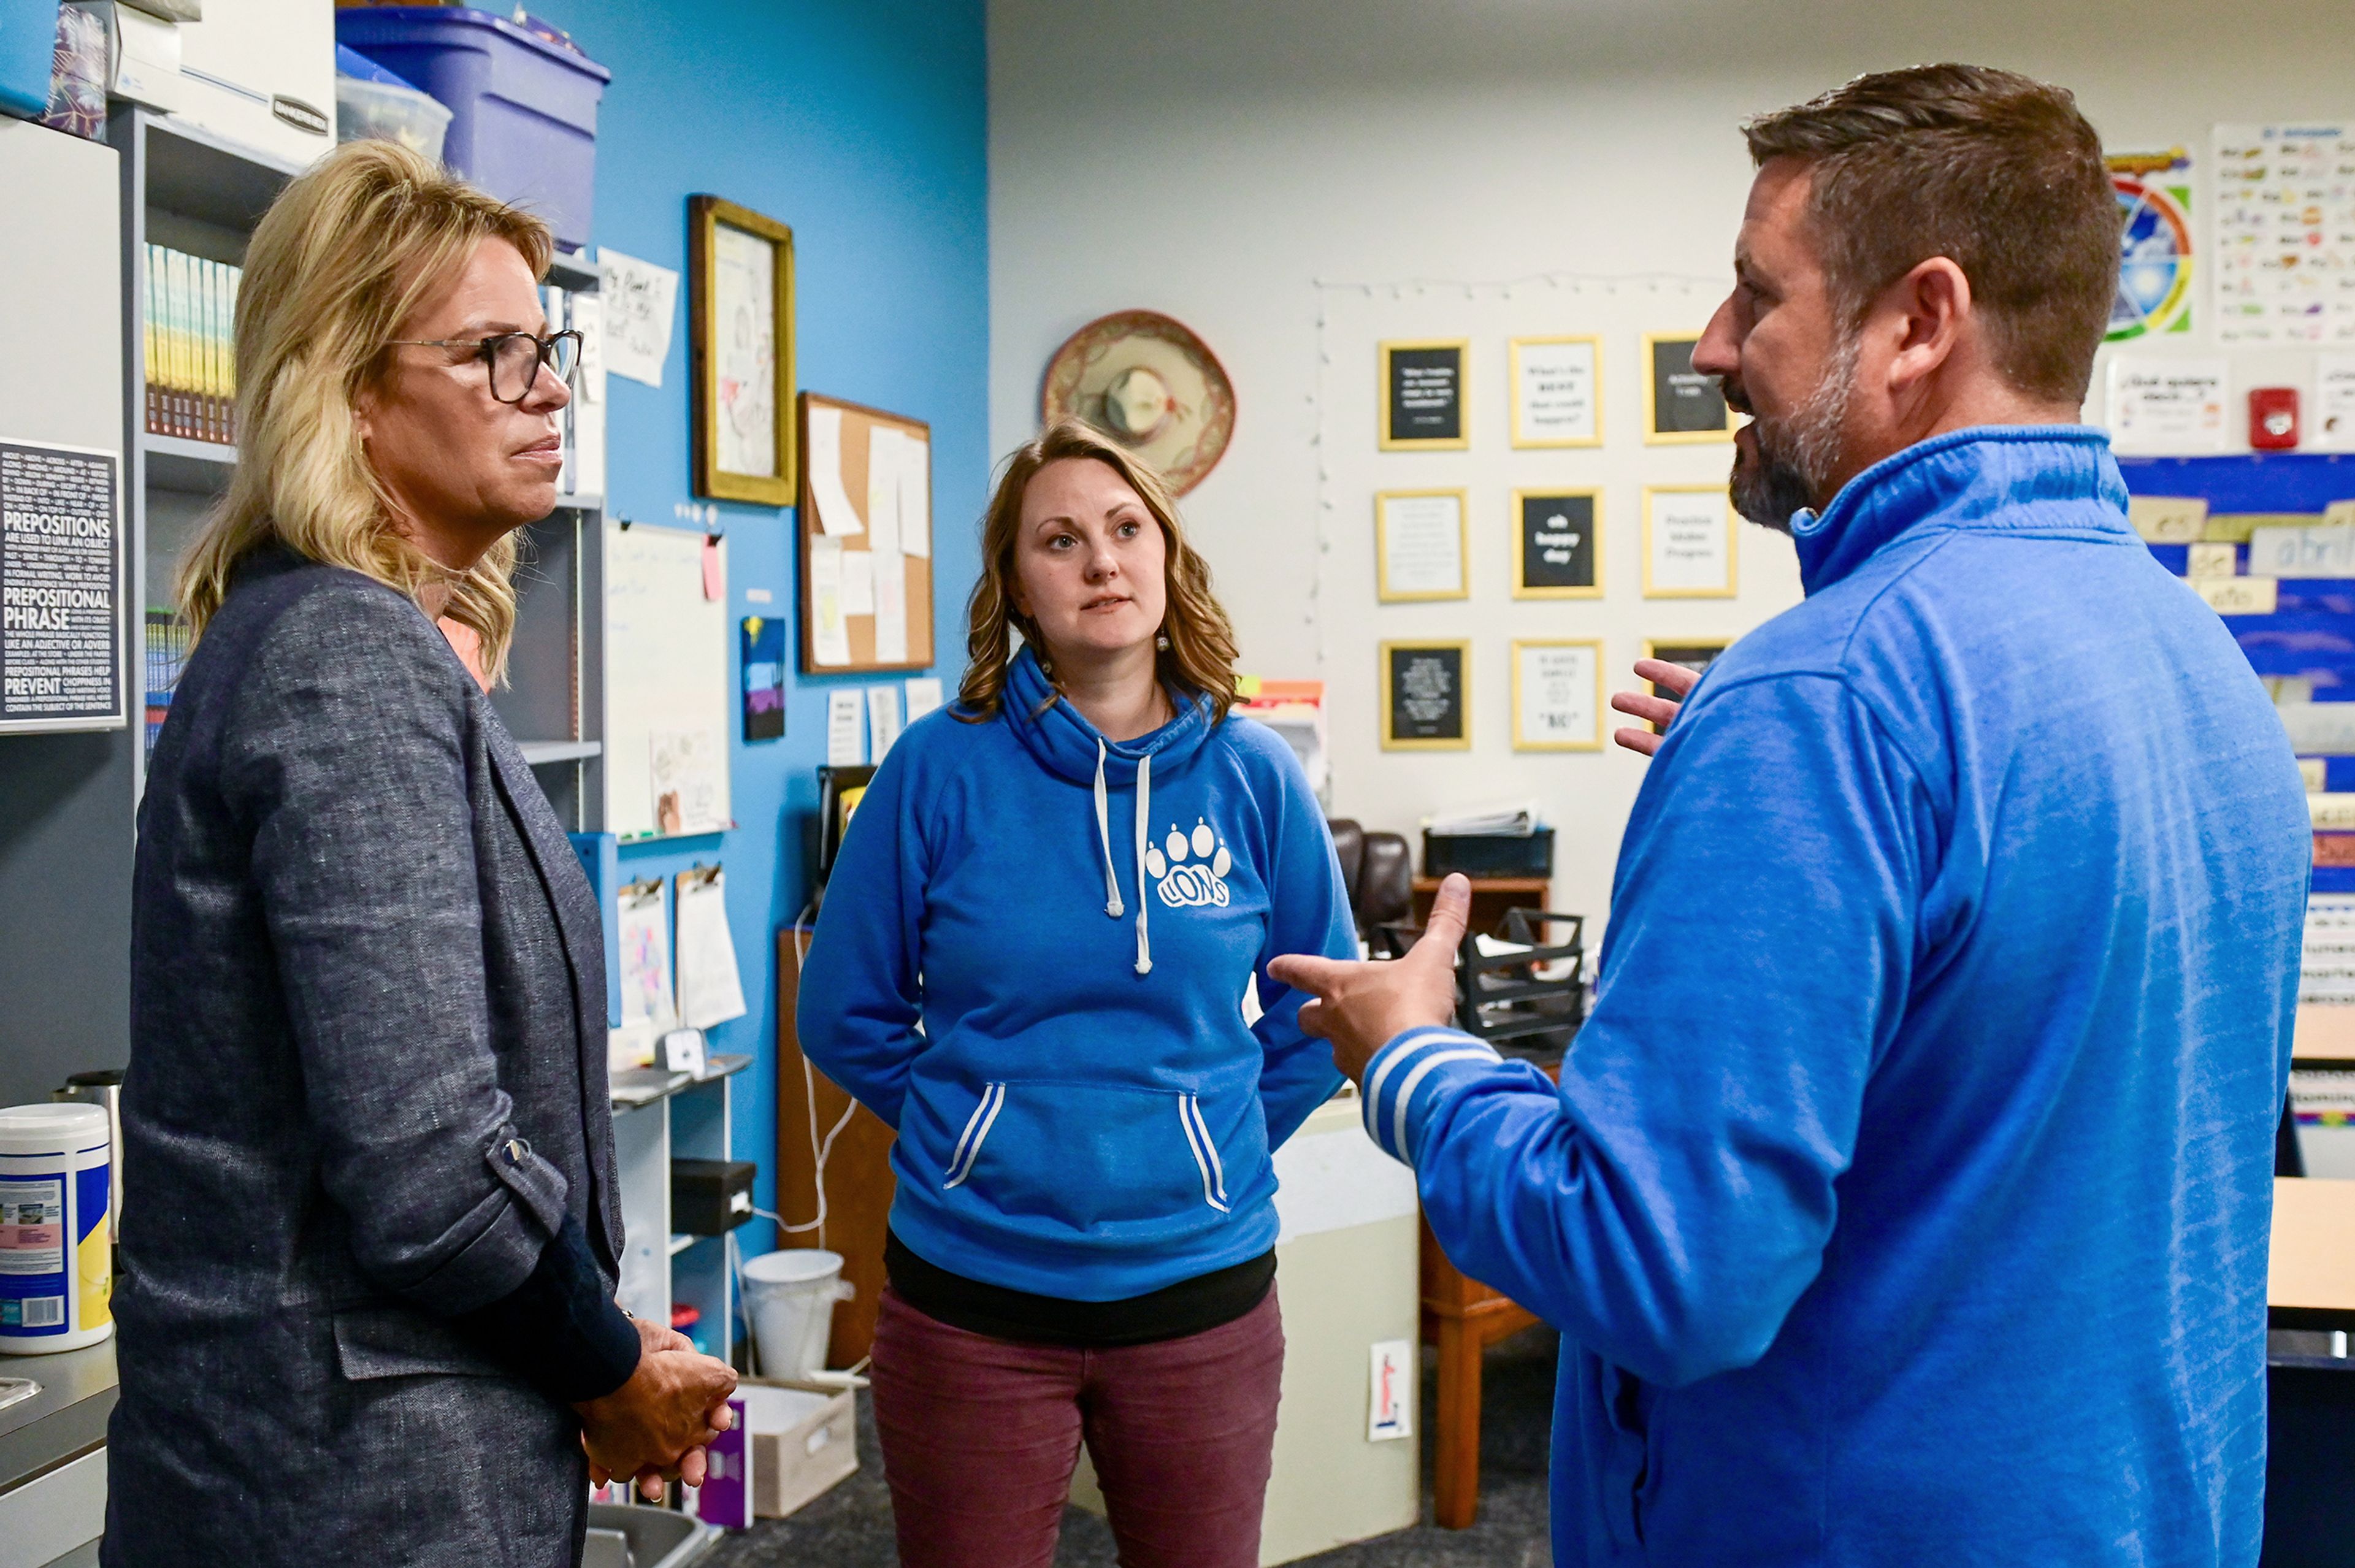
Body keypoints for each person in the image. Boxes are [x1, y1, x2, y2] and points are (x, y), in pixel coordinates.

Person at [1269, 64, 2309, 1566]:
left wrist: (1414, 1062)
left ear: (1920, 322)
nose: (1711, 345)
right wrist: (1804, 793)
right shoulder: (2185, 653)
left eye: (1755, 294)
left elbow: (1663, 1272)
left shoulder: (1827, 698)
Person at [109, 140, 736, 1568]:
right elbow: (428, 1174)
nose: (553, 386)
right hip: (355, 1484)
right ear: (348, 393)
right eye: (494, 354)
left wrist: (589, 1330)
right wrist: (609, 1369)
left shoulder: (316, 638)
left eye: (548, 345)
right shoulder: (342, 657)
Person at [797, 418, 1357, 1568]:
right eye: (1060, 539)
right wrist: (975, 1135)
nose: (1101, 561)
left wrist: (1222, 1137)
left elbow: (1323, 1008)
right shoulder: (936, 769)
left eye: (1125, 529)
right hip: (971, 1301)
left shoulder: (1256, 774)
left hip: (1201, 1293)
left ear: (1166, 557)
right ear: (1016, 585)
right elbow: (842, 1008)